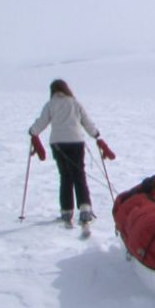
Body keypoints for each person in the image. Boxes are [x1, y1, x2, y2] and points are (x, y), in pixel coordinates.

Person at [29, 79, 101, 226]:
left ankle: (66, 212)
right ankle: (85, 209)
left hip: (58, 144)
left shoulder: (50, 104)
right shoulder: (75, 103)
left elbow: (42, 122)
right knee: (79, 175)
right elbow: (87, 122)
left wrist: (33, 131)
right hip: (76, 143)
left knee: (65, 176)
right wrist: (95, 134)